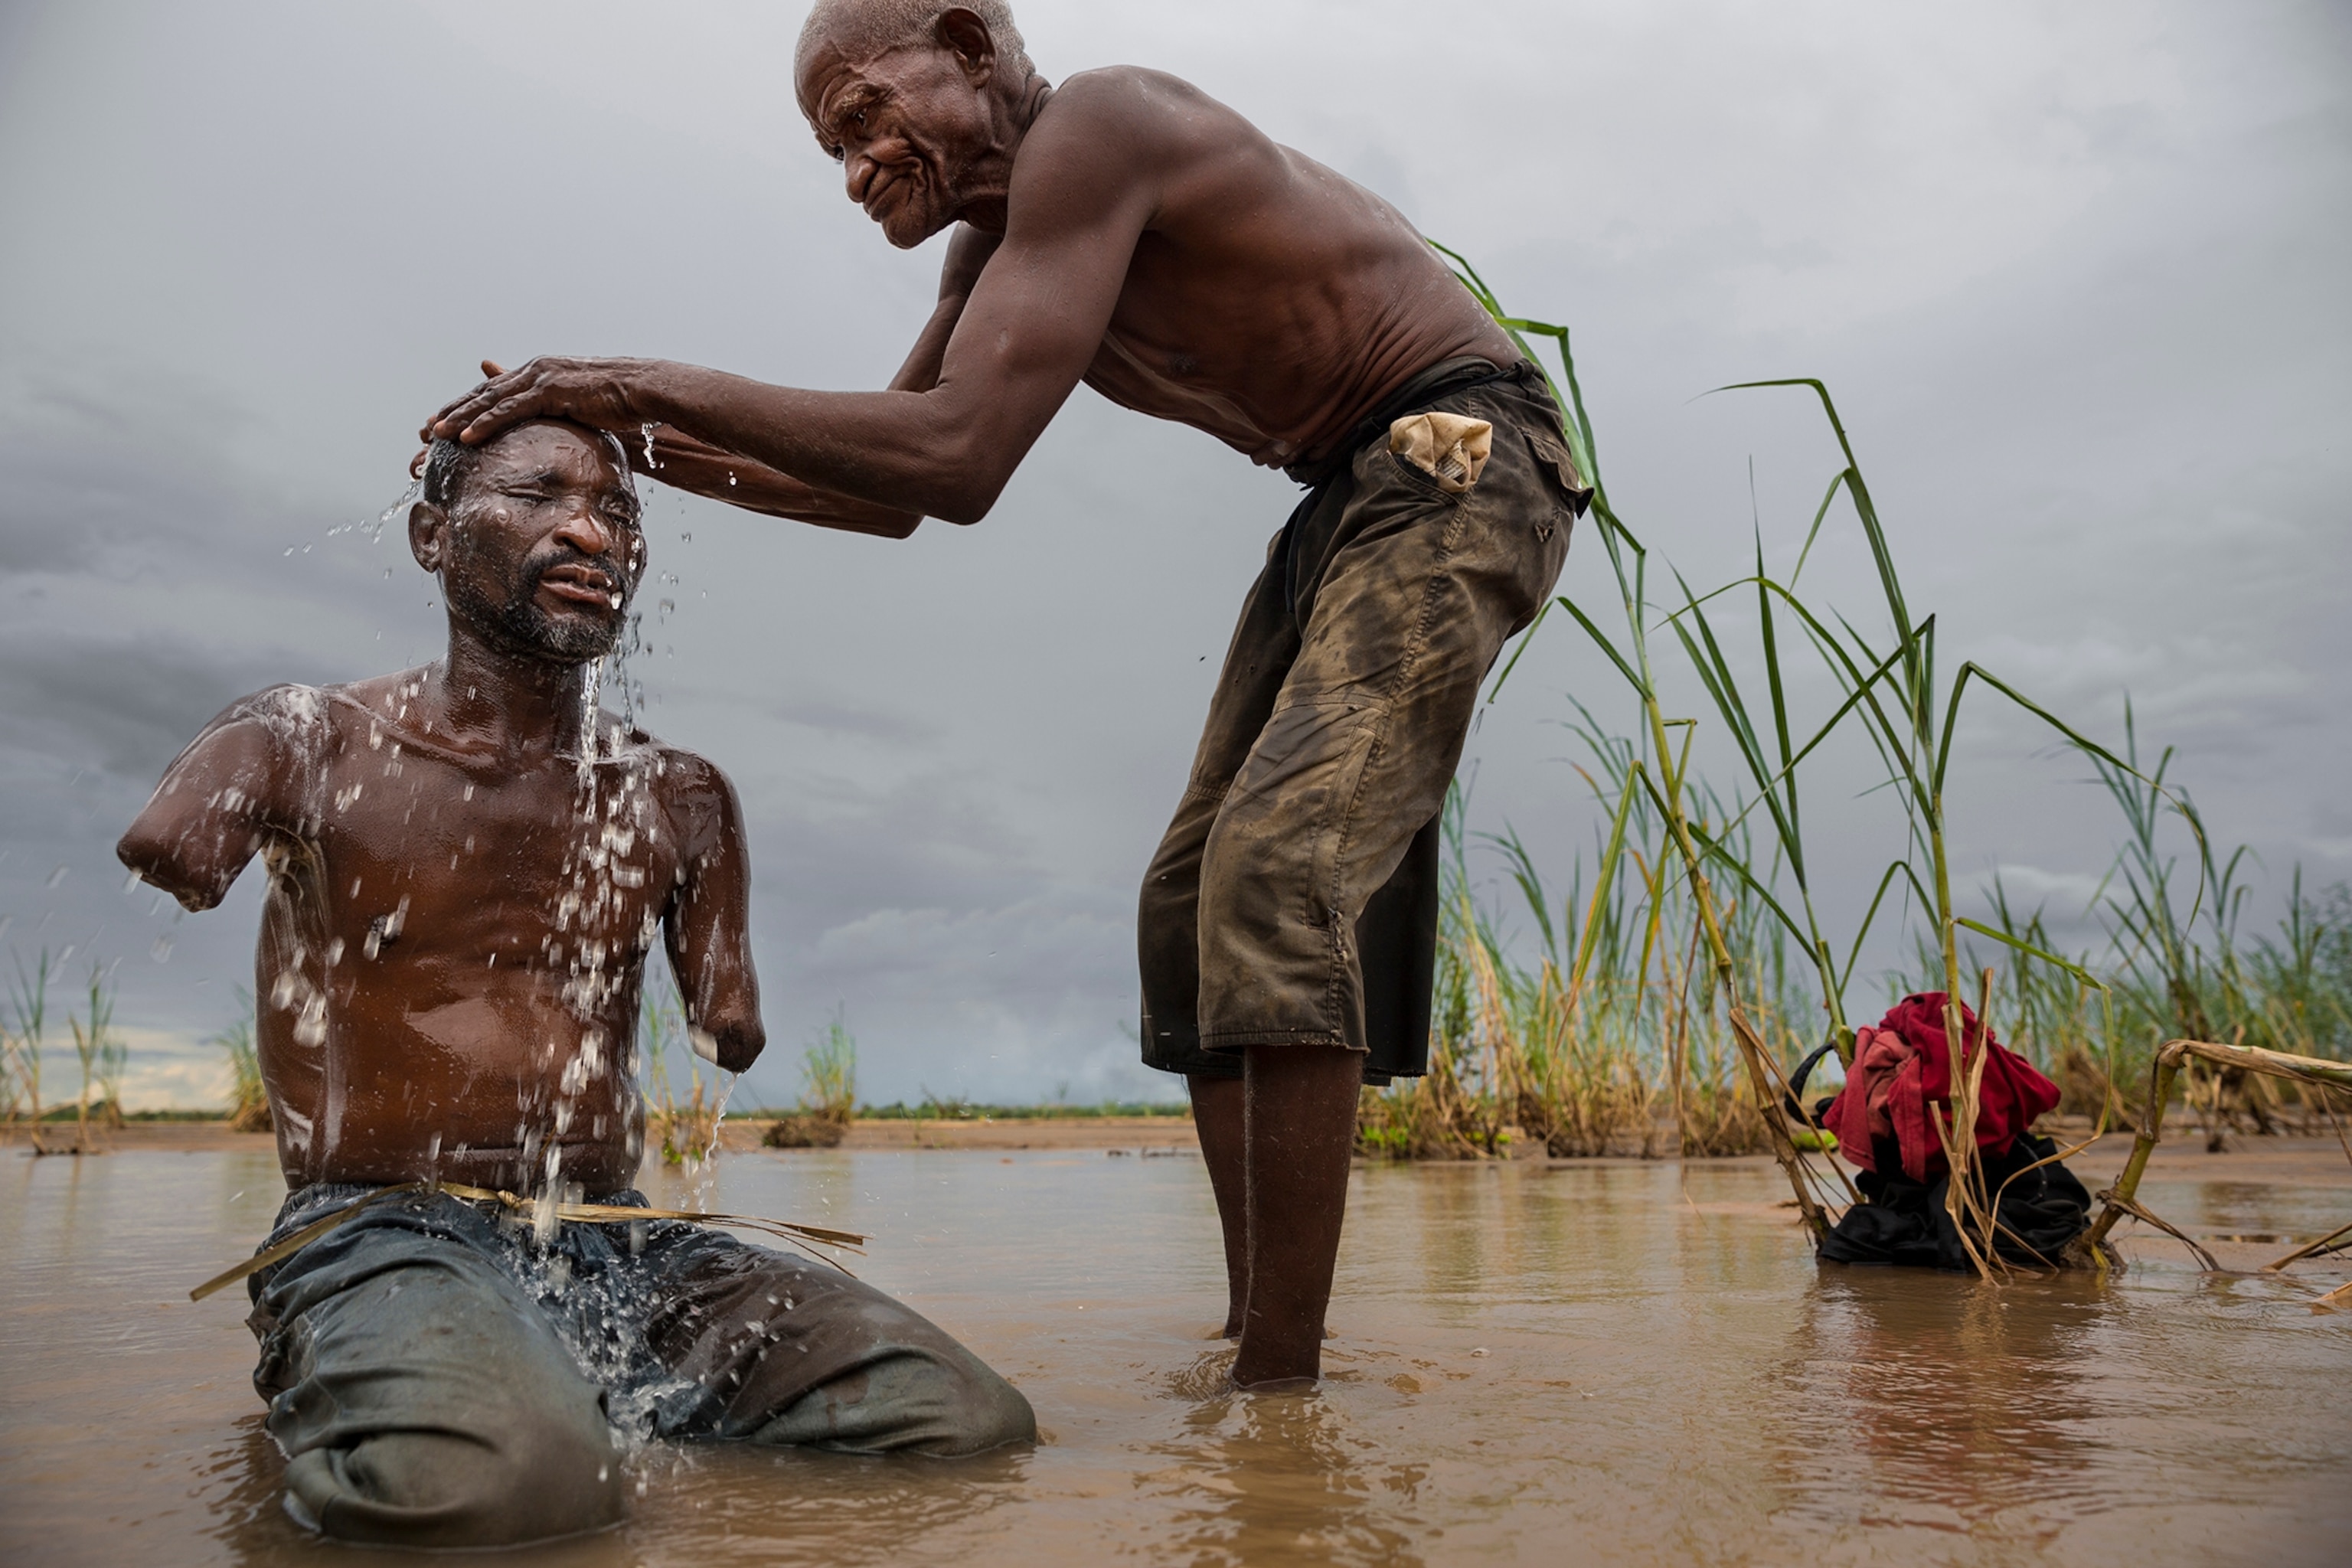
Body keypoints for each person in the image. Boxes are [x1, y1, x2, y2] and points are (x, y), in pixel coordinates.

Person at [422, 1, 1591, 1388]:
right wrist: (629, 441)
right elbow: (897, 498)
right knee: (1189, 894)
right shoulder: (992, 246)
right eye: (831, 151)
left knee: (1278, 872)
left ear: (971, 46)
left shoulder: (1102, 124)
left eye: (864, 118)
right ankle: (1255, 1339)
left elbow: (959, 452)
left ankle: (1282, 1391)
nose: (857, 171)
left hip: (1458, 455)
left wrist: (625, 375)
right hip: (1347, 494)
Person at [119, 417, 1034, 1549]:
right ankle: (413, 1393)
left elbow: (729, 1024)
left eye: (617, 512)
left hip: (619, 1237)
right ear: (429, 536)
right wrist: (221, 780)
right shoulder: (307, 739)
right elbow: (171, 841)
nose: (589, 531)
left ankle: (523, 1399)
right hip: (381, 1226)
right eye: (540, 495)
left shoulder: (675, 794)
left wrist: (731, 998)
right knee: (508, 1490)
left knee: (958, 1418)